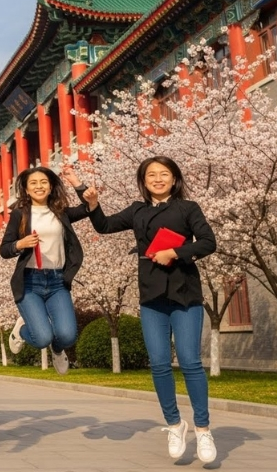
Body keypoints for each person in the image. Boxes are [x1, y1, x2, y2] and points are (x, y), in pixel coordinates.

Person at [84, 156, 217, 464]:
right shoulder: (137, 210)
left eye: (164, 174)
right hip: (151, 296)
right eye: (151, 175)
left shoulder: (188, 208)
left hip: (185, 294)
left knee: (190, 362)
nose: (158, 179)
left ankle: (203, 429)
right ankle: (175, 424)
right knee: (158, 364)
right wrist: (92, 204)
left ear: (175, 178)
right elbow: (104, 226)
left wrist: (176, 252)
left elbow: (208, 242)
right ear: (143, 181)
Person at [0, 166, 92, 375]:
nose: (39, 186)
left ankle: (57, 349)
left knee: (67, 336)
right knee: (42, 338)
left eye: (43, 182)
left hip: (57, 281)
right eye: (33, 183)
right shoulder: (20, 214)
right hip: (30, 282)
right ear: (26, 189)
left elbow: (89, 207)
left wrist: (76, 182)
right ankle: (22, 331)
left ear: (50, 187)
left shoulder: (60, 212)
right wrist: (20, 244)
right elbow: (4, 250)